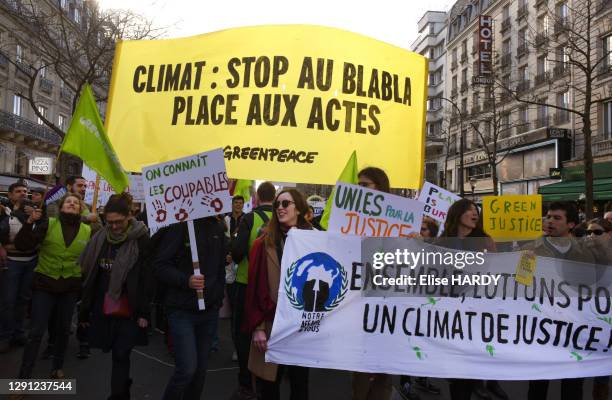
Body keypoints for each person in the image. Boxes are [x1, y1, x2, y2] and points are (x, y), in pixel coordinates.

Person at [78, 193, 152, 400]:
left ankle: (118, 395)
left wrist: (144, 312)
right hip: (103, 306)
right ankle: (122, 386)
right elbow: (91, 275)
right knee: (110, 350)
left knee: (121, 352)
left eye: (119, 222)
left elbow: (147, 279)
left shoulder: (142, 239)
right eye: (109, 222)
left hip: (130, 308)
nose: (114, 227)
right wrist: (84, 311)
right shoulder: (100, 238)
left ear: (129, 216)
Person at [522, 202, 595, 400]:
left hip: (574, 328)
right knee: (538, 385)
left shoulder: (587, 252)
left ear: (571, 224)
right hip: (541, 327)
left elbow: (594, 286)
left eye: (557, 218)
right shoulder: (531, 249)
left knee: (573, 385)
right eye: (548, 217)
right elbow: (521, 284)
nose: (550, 221)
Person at [14, 193, 92, 379]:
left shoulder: (88, 230)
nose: (72, 204)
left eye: (75, 202)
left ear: (80, 209)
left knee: (64, 330)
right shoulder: (48, 223)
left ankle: (57, 367)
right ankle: (24, 377)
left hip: (70, 287)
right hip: (45, 285)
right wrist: (29, 222)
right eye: (68, 202)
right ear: (61, 207)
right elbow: (23, 245)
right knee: (36, 332)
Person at [244, 188, 312, 400]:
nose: (280, 208)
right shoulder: (263, 243)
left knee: (300, 387)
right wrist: (258, 328)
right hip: (272, 324)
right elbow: (254, 289)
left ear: (299, 209)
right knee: (269, 387)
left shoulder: (315, 240)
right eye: (277, 205)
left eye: (286, 204)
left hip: (302, 327)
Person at [436, 198, 506, 400]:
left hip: (476, 312)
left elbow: (496, 272)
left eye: (476, 210)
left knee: (468, 366)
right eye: (470, 209)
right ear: (458, 214)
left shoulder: (485, 241)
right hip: (449, 312)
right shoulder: (442, 242)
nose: (475, 212)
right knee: (456, 371)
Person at [153, 215, 227, 400]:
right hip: (181, 310)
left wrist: (217, 298)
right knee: (187, 369)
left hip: (209, 310)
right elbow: (160, 265)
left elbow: (220, 269)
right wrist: (186, 280)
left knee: (200, 372)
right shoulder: (180, 226)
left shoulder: (218, 227)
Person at [44, 176, 100, 360]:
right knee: (54, 309)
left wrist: (94, 219)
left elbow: (98, 232)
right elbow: (54, 222)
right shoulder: (57, 204)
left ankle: (83, 342)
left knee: (85, 306)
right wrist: (84, 217)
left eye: (85, 186)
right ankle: (53, 343)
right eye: (80, 185)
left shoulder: (89, 206)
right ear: (69, 187)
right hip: (56, 271)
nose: (84, 188)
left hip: (84, 265)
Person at [351, 167, 394, 400]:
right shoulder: (352, 219)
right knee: (360, 370)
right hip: (360, 304)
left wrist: (417, 242)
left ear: (380, 187)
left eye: (364, 185)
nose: (359, 190)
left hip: (390, 306)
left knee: (384, 371)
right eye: (358, 186)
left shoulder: (399, 219)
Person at [230, 182, 275, 399]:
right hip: (270, 289)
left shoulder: (249, 218)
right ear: (274, 198)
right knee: (267, 333)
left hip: (245, 283)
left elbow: (237, 252)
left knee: (242, 334)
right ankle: (266, 381)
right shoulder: (280, 220)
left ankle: (246, 383)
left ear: (256, 197)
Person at [398, 217, 441, 400]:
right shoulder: (406, 246)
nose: (420, 232)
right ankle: (405, 382)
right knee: (407, 343)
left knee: (424, 343)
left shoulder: (437, 250)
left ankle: (422, 377)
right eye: (419, 229)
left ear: (431, 232)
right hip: (407, 304)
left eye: (424, 229)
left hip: (427, 304)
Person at [0, 182, 38, 352]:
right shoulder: (4, 214)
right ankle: (5, 336)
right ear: (10, 195)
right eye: (18, 191)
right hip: (12, 263)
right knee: (8, 300)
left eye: (25, 191)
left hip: (31, 263)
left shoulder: (37, 216)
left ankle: (18, 333)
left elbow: (38, 240)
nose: (23, 194)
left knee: (23, 300)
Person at [583, 218, 611, 400]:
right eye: (588, 232)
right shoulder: (580, 257)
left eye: (597, 232)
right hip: (590, 325)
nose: (591, 236)